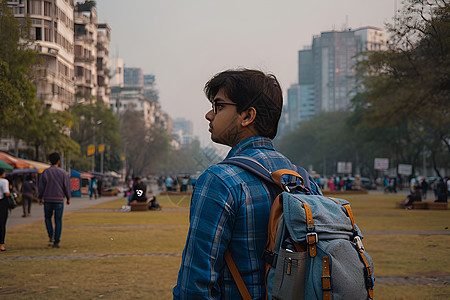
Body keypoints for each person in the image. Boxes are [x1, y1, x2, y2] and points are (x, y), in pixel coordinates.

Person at [173, 69, 320, 299]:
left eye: (219, 106)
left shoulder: (220, 181)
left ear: (247, 116)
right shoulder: (304, 181)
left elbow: (195, 285)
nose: (209, 115)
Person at [38, 152, 71, 248]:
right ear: (59, 161)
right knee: (58, 220)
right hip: (59, 200)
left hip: (48, 199)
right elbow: (66, 186)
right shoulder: (63, 173)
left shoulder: (45, 172)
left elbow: (41, 187)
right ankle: (56, 241)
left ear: (49, 161)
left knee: (47, 218)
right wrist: (68, 197)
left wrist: (40, 197)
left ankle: (50, 235)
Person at [0, 168, 11, 252]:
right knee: (2, 224)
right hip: (2, 204)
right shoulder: (4, 181)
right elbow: (6, 193)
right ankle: (1, 245)